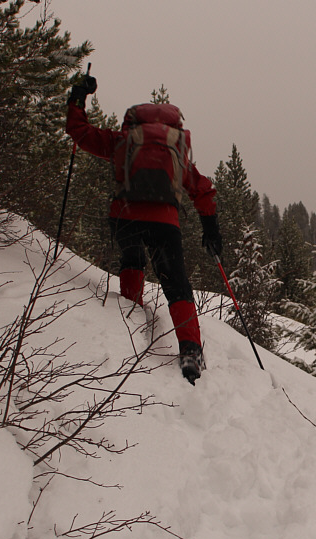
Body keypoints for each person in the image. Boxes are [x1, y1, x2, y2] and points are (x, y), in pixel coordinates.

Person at [65, 74, 222, 384]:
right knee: (176, 283)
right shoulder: (177, 153)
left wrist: (77, 97)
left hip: (125, 217)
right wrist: (210, 229)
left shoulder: (121, 140)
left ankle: (130, 313)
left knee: (133, 259)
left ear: (132, 121)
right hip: (165, 223)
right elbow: (202, 190)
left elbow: (79, 133)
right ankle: (190, 350)